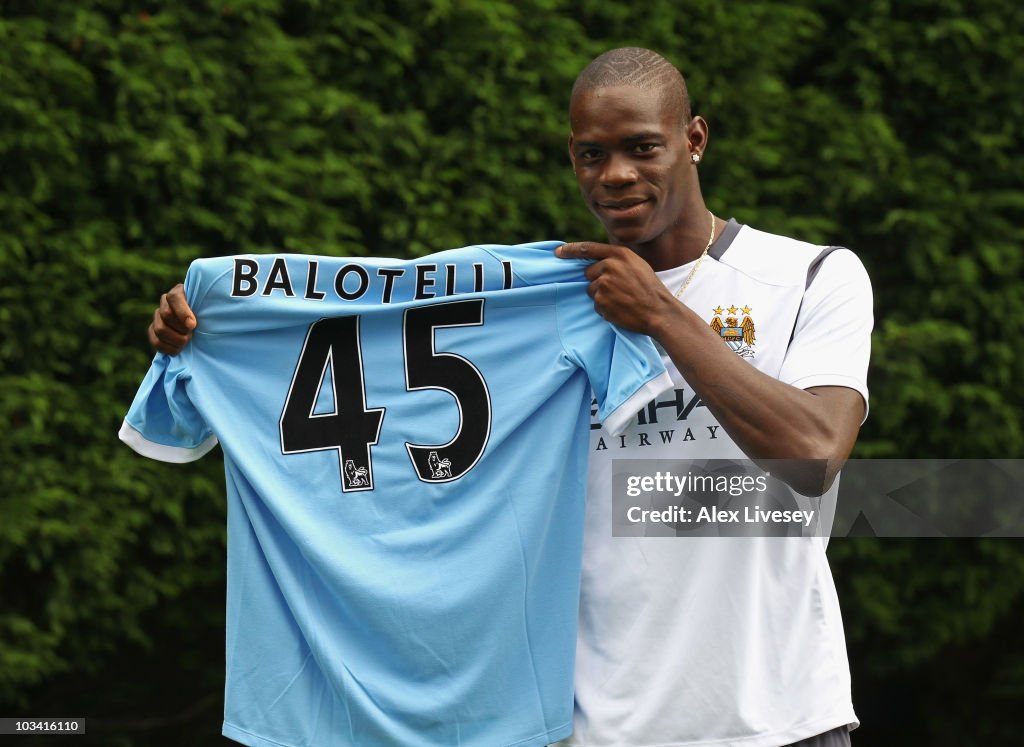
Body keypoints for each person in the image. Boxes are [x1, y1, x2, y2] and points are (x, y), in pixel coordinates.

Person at [149, 47, 872, 747]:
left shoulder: (810, 276)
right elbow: (369, 343)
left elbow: (812, 454)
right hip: (592, 728)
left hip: (780, 717)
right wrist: (221, 331)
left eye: (643, 148)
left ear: (695, 139)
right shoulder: (540, 300)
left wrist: (661, 316)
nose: (615, 174)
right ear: (571, 157)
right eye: (593, 154)